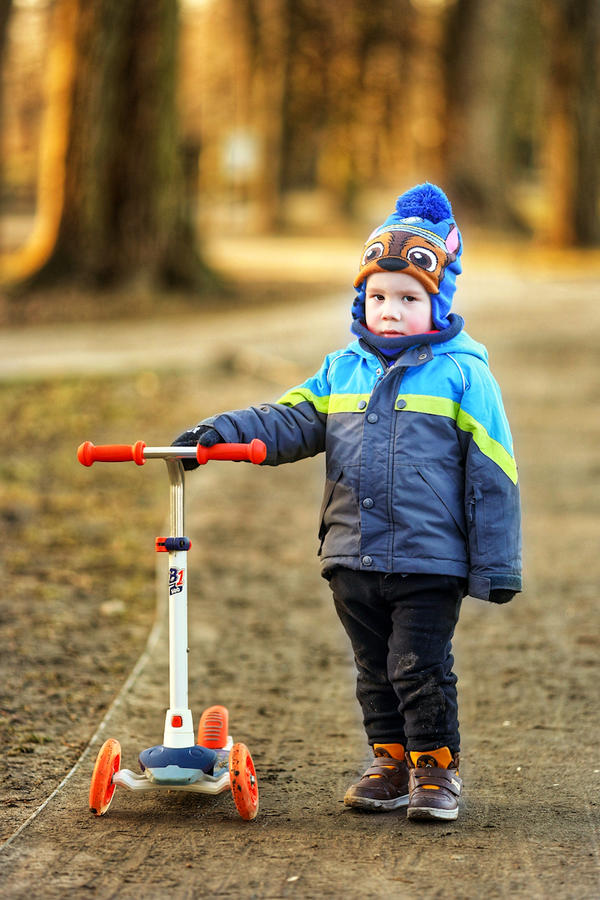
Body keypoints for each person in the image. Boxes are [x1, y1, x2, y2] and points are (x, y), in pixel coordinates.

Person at [173, 183, 522, 821]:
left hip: (429, 560)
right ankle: (389, 762)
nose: (390, 310)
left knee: (418, 666)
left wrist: (495, 565)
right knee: (373, 671)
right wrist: (221, 433)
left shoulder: (464, 376)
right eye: (378, 296)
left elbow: (493, 474)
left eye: (409, 298)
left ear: (438, 303)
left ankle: (435, 770)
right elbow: (287, 420)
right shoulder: (341, 371)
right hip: (352, 554)